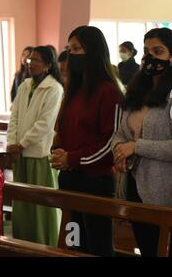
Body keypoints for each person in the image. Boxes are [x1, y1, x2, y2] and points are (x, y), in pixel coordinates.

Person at [111, 28, 172, 257]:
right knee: (147, 251)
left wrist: (136, 147)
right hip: (134, 185)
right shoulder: (138, 90)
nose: (150, 57)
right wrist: (120, 150)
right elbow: (120, 134)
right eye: (147, 51)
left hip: (167, 191)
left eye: (158, 51)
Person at [51, 26, 123, 256]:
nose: (71, 54)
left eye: (77, 48)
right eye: (68, 49)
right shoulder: (73, 89)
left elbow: (110, 142)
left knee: (97, 247)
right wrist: (58, 150)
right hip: (70, 179)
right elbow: (63, 128)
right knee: (74, 242)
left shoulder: (108, 91)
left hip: (95, 182)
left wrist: (71, 158)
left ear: (92, 52)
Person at [6, 46, 64, 246]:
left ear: (48, 65)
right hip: (20, 154)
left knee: (41, 206)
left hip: (39, 154)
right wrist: (12, 143)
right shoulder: (25, 85)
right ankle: (23, 244)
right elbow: (15, 116)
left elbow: (45, 123)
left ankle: (44, 244)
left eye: (36, 60)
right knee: (22, 205)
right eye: (29, 60)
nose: (30, 64)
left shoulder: (54, 88)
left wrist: (21, 144)